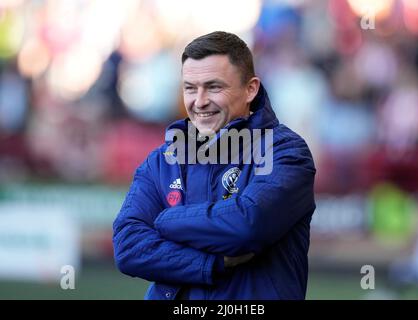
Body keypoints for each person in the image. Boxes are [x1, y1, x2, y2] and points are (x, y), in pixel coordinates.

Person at [112, 31, 316, 300]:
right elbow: (128, 248)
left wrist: (164, 221)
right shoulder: (162, 160)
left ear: (250, 89)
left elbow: (248, 225)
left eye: (214, 87)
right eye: (190, 88)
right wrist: (213, 263)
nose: (199, 101)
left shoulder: (285, 151)